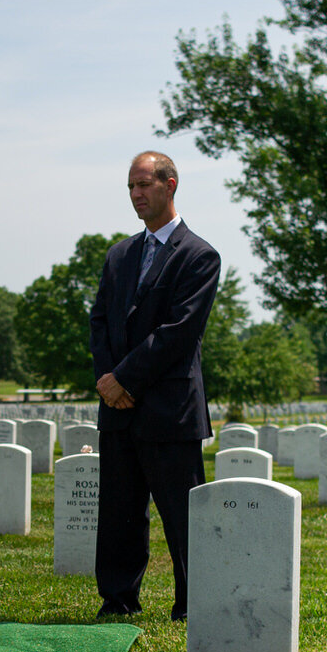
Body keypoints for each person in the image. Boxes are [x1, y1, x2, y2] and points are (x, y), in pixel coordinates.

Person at [88, 151, 222, 620]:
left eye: (144, 185)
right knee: (120, 513)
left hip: (169, 408)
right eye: (130, 187)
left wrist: (124, 378)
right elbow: (101, 321)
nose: (136, 194)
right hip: (118, 409)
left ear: (170, 185)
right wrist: (108, 382)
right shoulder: (120, 254)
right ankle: (118, 599)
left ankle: (191, 602)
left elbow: (179, 332)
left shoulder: (199, 255)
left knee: (183, 517)